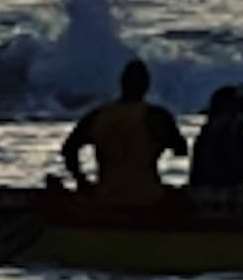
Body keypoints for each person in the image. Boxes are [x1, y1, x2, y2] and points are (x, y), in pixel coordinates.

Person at [60, 58, 187, 205]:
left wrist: (81, 181)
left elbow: (69, 149)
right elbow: (181, 151)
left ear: (121, 84)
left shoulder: (98, 115)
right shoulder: (157, 117)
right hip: (149, 197)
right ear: (146, 86)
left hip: (105, 195)